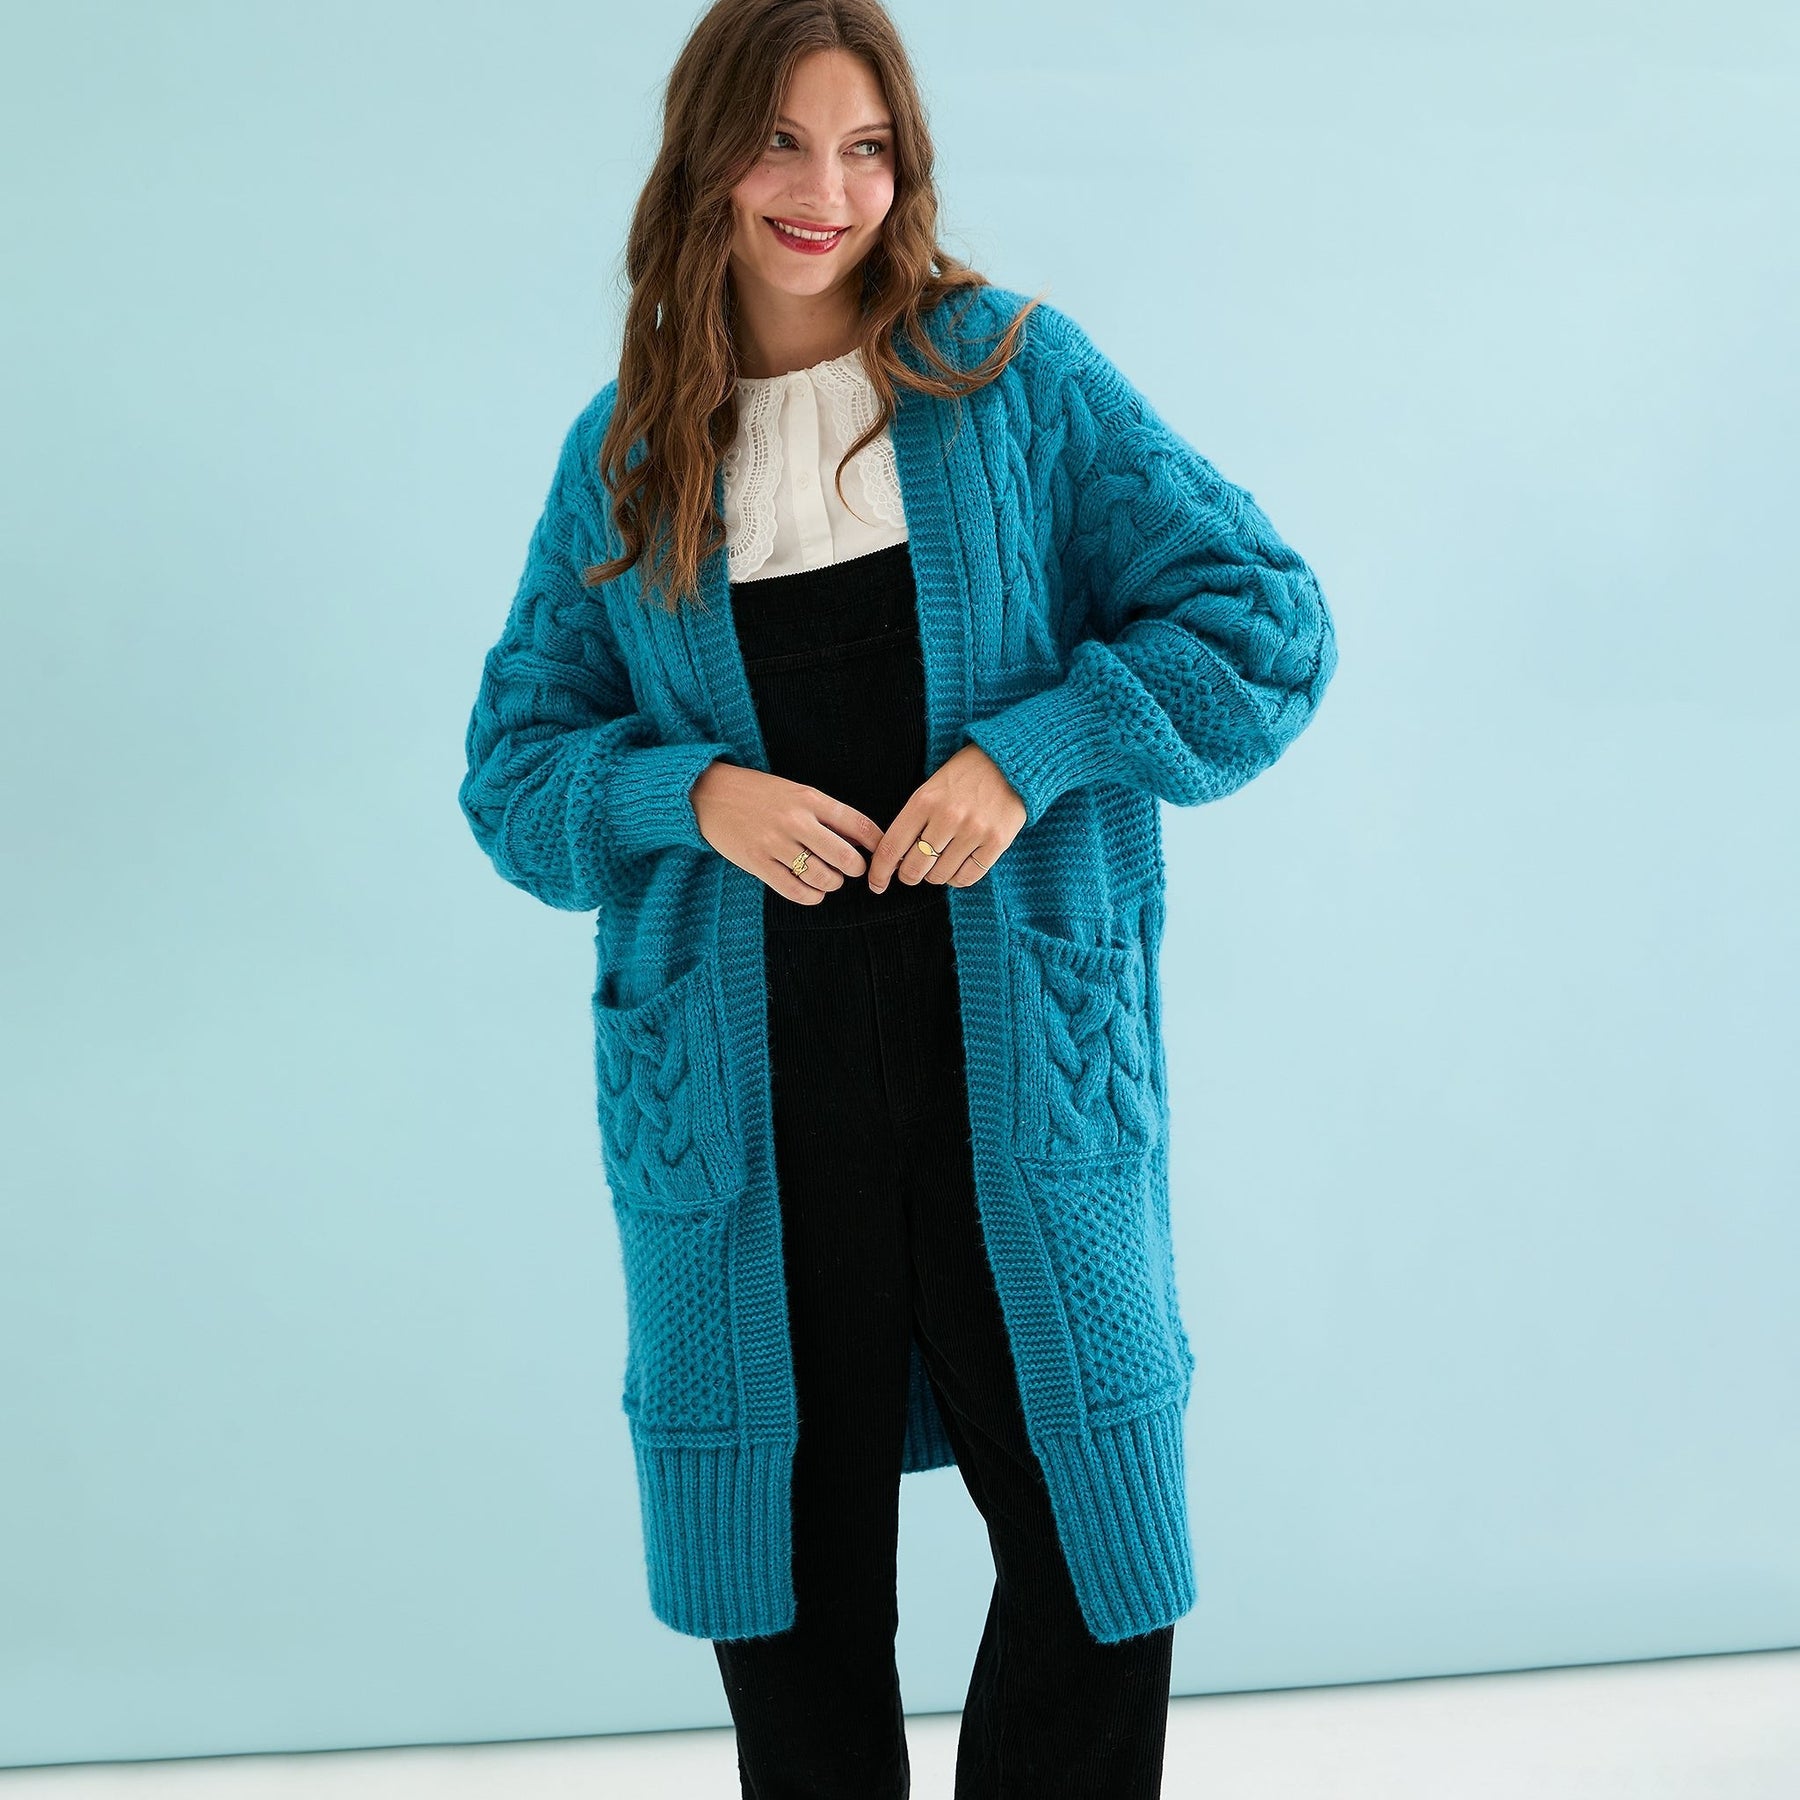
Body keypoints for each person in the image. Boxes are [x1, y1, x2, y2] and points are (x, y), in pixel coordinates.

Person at [458, 2, 1338, 1794]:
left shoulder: (1008, 378)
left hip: (1021, 1085)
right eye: (781, 141)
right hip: (752, 1108)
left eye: (866, 147)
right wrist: (688, 793)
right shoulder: (629, 458)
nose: (825, 189)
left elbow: (1264, 623)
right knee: (790, 1598)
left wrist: (1036, 751)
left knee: (1098, 1557)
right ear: (707, 159)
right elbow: (515, 779)